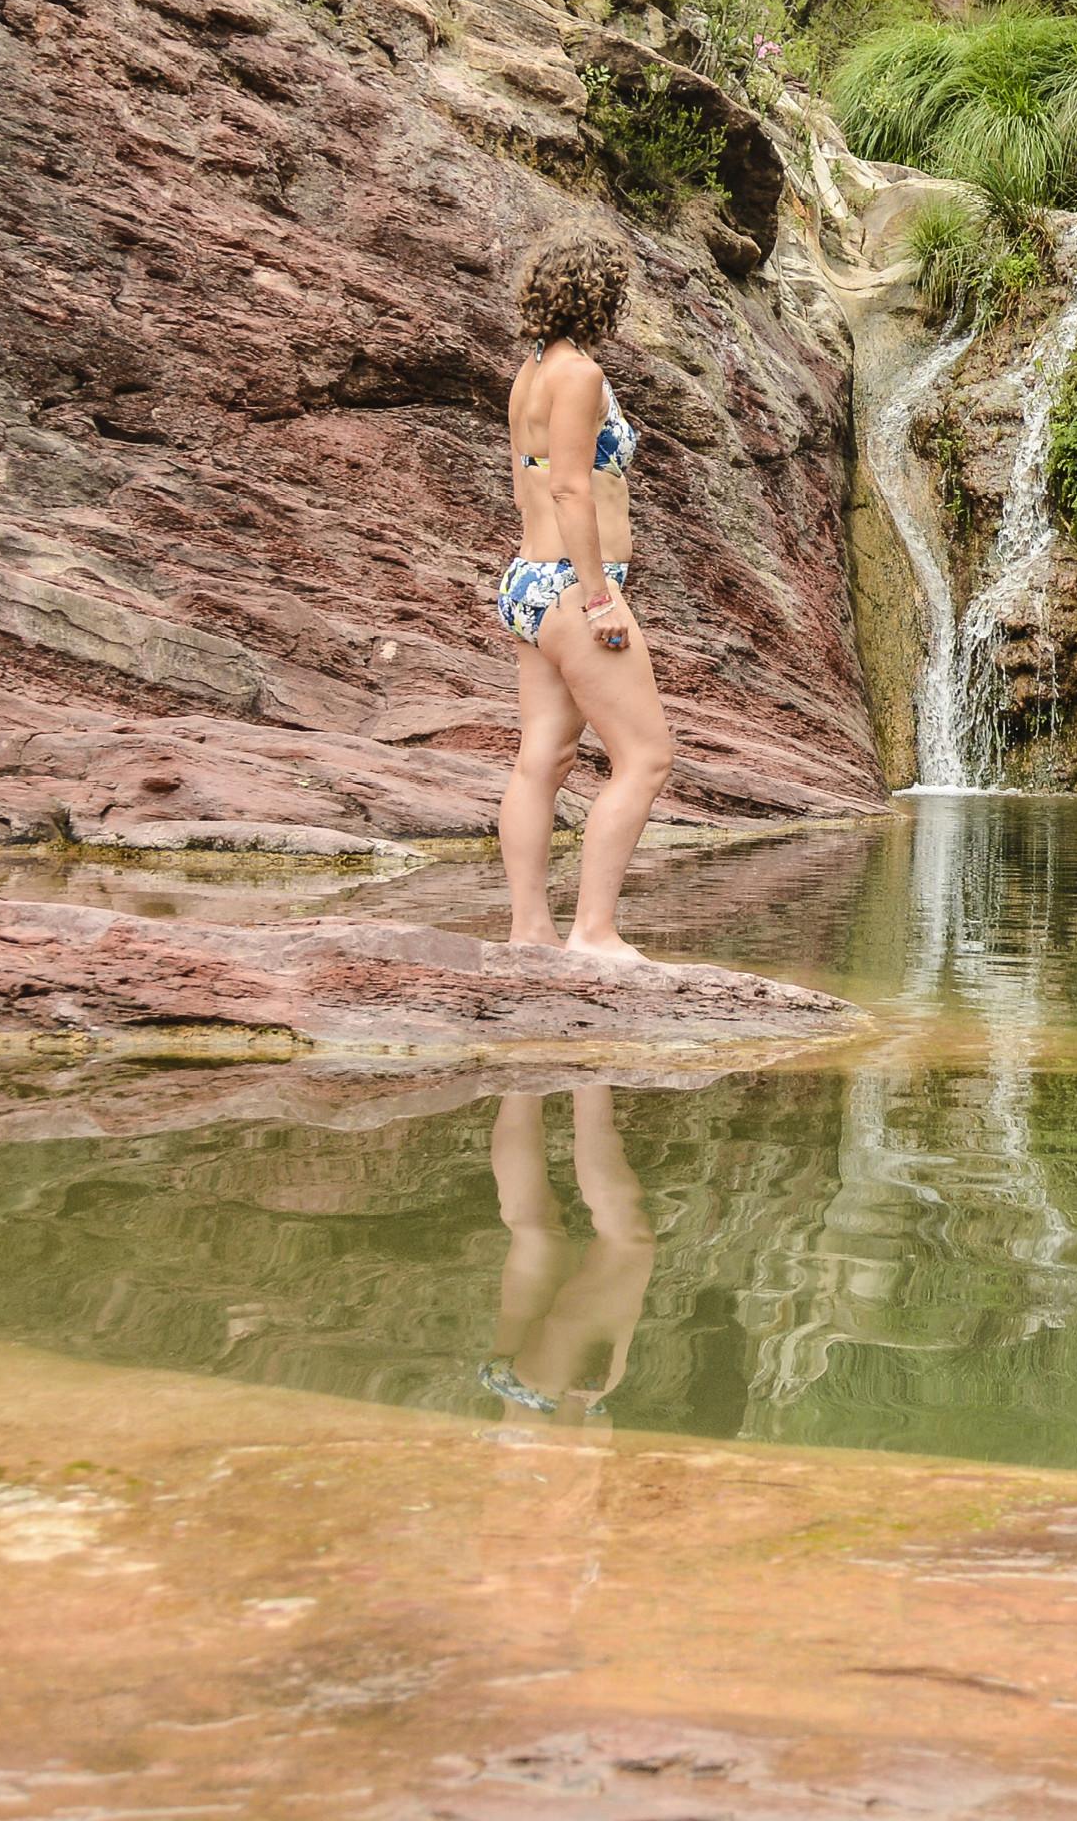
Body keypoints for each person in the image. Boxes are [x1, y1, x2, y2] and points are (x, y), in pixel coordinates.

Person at [493, 226, 676, 962]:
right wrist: (600, 596)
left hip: (530, 583)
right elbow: (570, 486)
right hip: (574, 587)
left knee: (545, 755)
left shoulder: (529, 374)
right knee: (647, 758)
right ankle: (593, 933)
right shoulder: (580, 376)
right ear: (601, 297)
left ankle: (529, 933)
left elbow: (524, 484)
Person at [479, 1087, 656, 1418]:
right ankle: (522, 1071)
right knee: (532, 1226)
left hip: (561, 1392)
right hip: (521, 1395)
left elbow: (564, 1460)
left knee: (628, 1241)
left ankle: (589, 1071)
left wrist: (574, 1409)